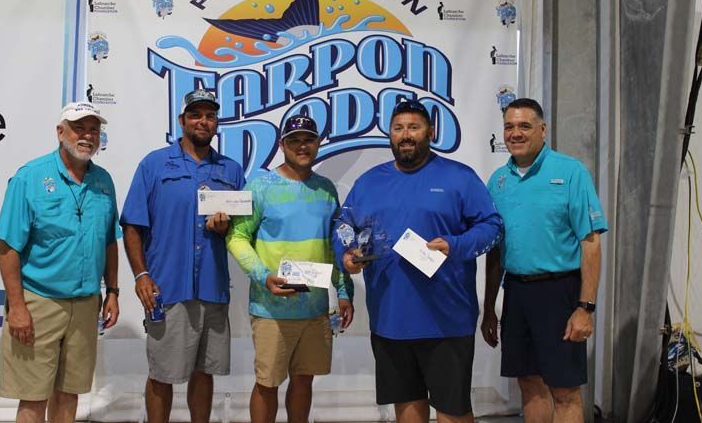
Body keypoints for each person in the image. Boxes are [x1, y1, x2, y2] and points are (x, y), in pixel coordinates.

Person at [334, 99, 503, 423]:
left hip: (446, 320)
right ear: (390, 135)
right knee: (407, 410)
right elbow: (343, 224)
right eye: (398, 128)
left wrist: (456, 244)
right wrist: (347, 253)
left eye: (414, 127)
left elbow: (492, 228)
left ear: (431, 132)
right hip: (389, 320)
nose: (406, 135)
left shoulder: (459, 177)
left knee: (453, 412)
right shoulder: (369, 182)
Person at [121, 89, 245, 423]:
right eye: (195, 115)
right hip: (168, 288)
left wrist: (226, 228)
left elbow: (241, 231)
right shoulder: (154, 164)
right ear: (182, 121)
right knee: (162, 373)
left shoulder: (231, 171)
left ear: (217, 122)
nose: (203, 121)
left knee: (204, 372)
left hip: (213, 287)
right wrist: (141, 275)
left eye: (210, 115)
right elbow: (132, 224)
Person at [481, 98, 607, 423]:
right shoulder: (497, 181)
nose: (516, 133)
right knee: (530, 385)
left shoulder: (570, 172)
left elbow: (591, 245)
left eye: (524, 126)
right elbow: (494, 251)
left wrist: (586, 308)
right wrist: (489, 309)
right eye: (509, 126)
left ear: (542, 129)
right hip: (517, 294)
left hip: (561, 294)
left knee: (564, 390)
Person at [0, 102, 120, 423]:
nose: (87, 136)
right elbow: (7, 247)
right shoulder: (30, 178)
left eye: (94, 129)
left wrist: (114, 292)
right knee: (34, 395)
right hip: (39, 302)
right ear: (60, 132)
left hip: (86, 303)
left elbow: (108, 240)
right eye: (79, 128)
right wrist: (17, 307)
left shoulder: (104, 182)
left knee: (69, 392)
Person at [227, 114, 354, 423]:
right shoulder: (260, 184)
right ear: (282, 144)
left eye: (308, 139)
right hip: (272, 308)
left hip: (314, 309)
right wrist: (262, 276)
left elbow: (334, 245)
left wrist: (343, 292)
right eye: (294, 140)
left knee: (304, 380)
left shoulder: (326, 190)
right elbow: (237, 236)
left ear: (318, 143)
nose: (302, 146)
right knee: (267, 383)